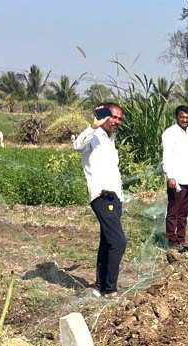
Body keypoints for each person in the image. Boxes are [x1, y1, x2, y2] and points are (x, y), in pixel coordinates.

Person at [73, 102, 126, 298]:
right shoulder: (93, 136)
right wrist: (93, 126)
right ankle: (110, 290)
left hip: (115, 196)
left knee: (107, 241)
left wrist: (122, 197)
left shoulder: (111, 140)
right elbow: (77, 145)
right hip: (101, 196)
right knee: (118, 241)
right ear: (104, 116)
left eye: (120, 118)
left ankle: (100, 284)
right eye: (113, 117)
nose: (116, 121)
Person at [162, 105, 188, 251]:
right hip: (177, 180)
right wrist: (170, 176)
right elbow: (166, 156)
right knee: (173, 212)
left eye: (187, 118)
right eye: (182, 117)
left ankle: (181, 240)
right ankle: (172, 242)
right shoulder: (170, 133)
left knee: (183, 213)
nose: (185, 120)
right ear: (177, 117)